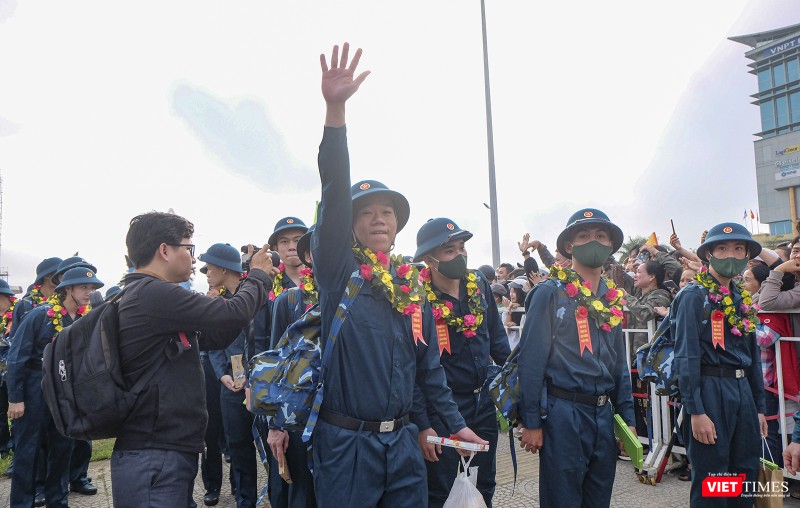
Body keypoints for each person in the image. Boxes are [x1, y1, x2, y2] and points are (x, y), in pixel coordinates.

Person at [311, 42, 486, 507]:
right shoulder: (338, 270)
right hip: (346, 446)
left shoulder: (414, 287)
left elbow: (429, 370)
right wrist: (335, 112)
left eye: (386, 212)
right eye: (365, 212)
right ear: (350, 224)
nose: (378, 219)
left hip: (404, 446)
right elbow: (332, 190)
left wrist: (453, 423)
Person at [110, 211, 273, 508]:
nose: (194, 260)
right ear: (164, 250)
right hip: (154, 455)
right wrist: (257, 274)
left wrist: (236, 303)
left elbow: (214, 335)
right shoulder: (153, 294)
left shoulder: (147, 295)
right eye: (189, 248)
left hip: (161, 451)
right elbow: (232, 315)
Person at [518, 207, 635, 508]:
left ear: (610, 245)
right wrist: (531, 421)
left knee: (598, 500)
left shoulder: (612, 297)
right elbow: (531, 361)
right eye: (583, 236)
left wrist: (627, 419)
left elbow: (619, 364)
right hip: (562, 413)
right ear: (569, 247)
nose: (592, 241)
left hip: (601, 413)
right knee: (562, 501)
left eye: (600, 236)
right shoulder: (549, 293)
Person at [413, 218, 510, 507]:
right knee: (440, 489)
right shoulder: (417, 300)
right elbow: (414, 366)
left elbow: (497, 337)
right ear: (429, 259)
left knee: (484, 484)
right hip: (440, 410)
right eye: (450, 251)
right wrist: (422, 423)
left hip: (482, 404)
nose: (460, 255)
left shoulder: (478, 282)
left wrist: (513, 389)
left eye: (462, 247)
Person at [672, 222, 767, 507]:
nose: (730, 255)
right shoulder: (693, 295)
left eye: (738, 249)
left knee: (744, 472)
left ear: (747, 256)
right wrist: (696, 410)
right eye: (722, 248)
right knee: (714, 478)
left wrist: (759, 407)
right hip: (710, 390)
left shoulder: (741, 298)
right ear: (709, 255)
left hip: (742, 392)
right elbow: (685, 356)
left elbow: (752, 357)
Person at [7, 267, 104, 508]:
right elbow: (17, 357)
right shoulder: (40, 316)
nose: (88, 292)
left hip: (65, 394)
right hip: (34, 391)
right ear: (67, 289)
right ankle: (21, 503)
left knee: (63, 449)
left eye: (91, 288)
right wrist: (15, 398)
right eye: (83, 287)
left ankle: (58, 502)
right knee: (28, 452)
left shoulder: (84, 319)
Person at [202, 243, 258, 508]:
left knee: (270, 447)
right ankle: (244, 499)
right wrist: (222, 375)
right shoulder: (215, 303)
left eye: (209, 267)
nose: (206, 273)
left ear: (224, 268)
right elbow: (213, 345)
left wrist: (252, 375)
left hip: (258, 385)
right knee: (237, 447)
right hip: (230, 386)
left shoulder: (256, 296)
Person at [267, 225, 318, 508]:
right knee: (300, 491)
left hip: (345, 425)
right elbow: (275, 359)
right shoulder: (288, 299)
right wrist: (275, 423)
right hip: (300, 418)